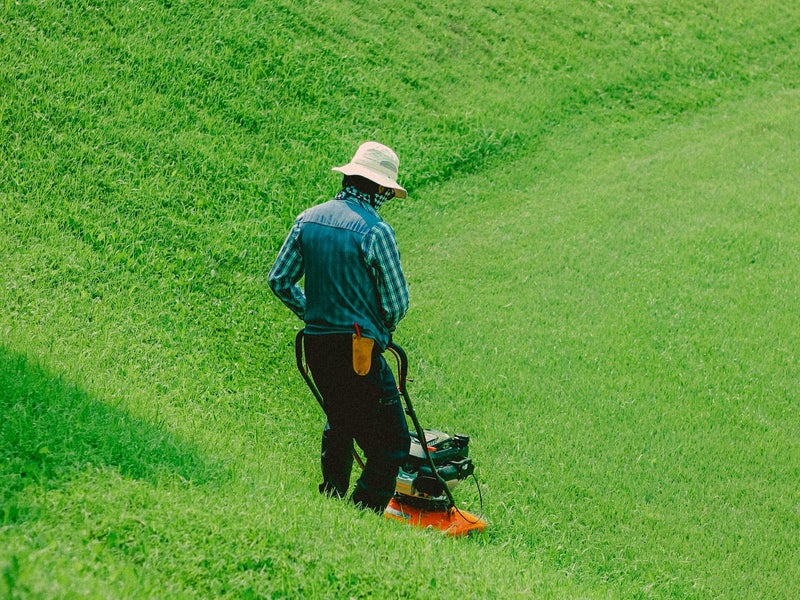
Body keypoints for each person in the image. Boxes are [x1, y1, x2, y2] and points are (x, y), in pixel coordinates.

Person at [268, 142, 411, 514]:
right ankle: (362, 510)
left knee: (340, 419)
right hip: (359, 349)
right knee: (393, 442)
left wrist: (313, 313)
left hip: (315, 345)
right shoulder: (376, 232)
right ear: (379, 188)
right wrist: (381, 330)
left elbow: (280, 280)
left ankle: (331, 497)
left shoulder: (308, 219)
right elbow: (397, 303)